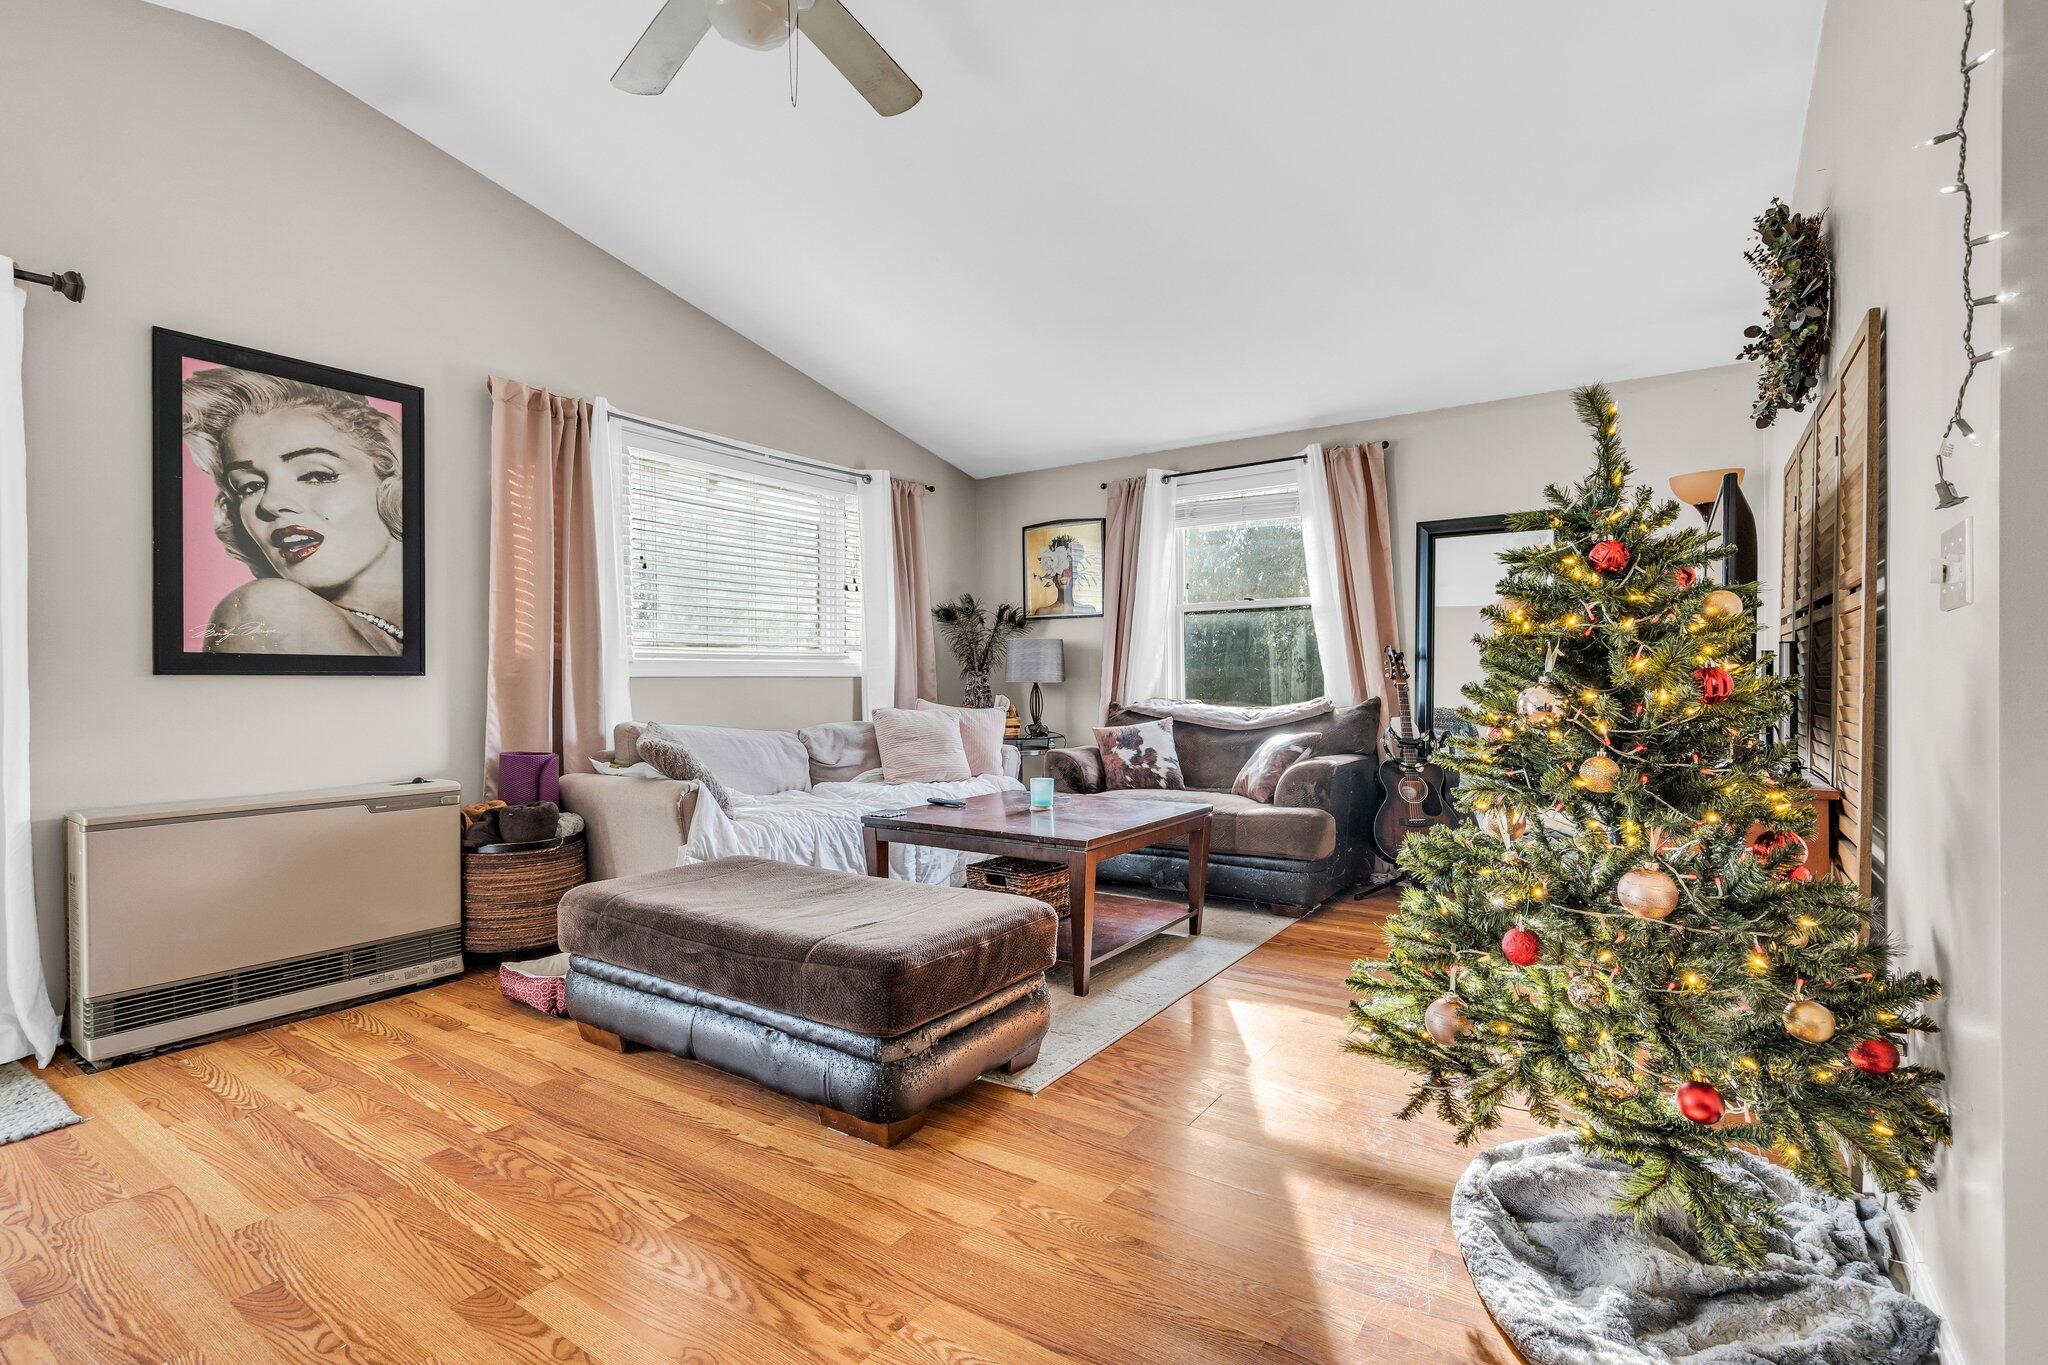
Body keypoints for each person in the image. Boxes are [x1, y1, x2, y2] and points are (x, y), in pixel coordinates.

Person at [181, 368, 405, 655]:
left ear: (392, 477)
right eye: (249, 486)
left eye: (315, 475)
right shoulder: (271, 609)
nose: (269, 503)